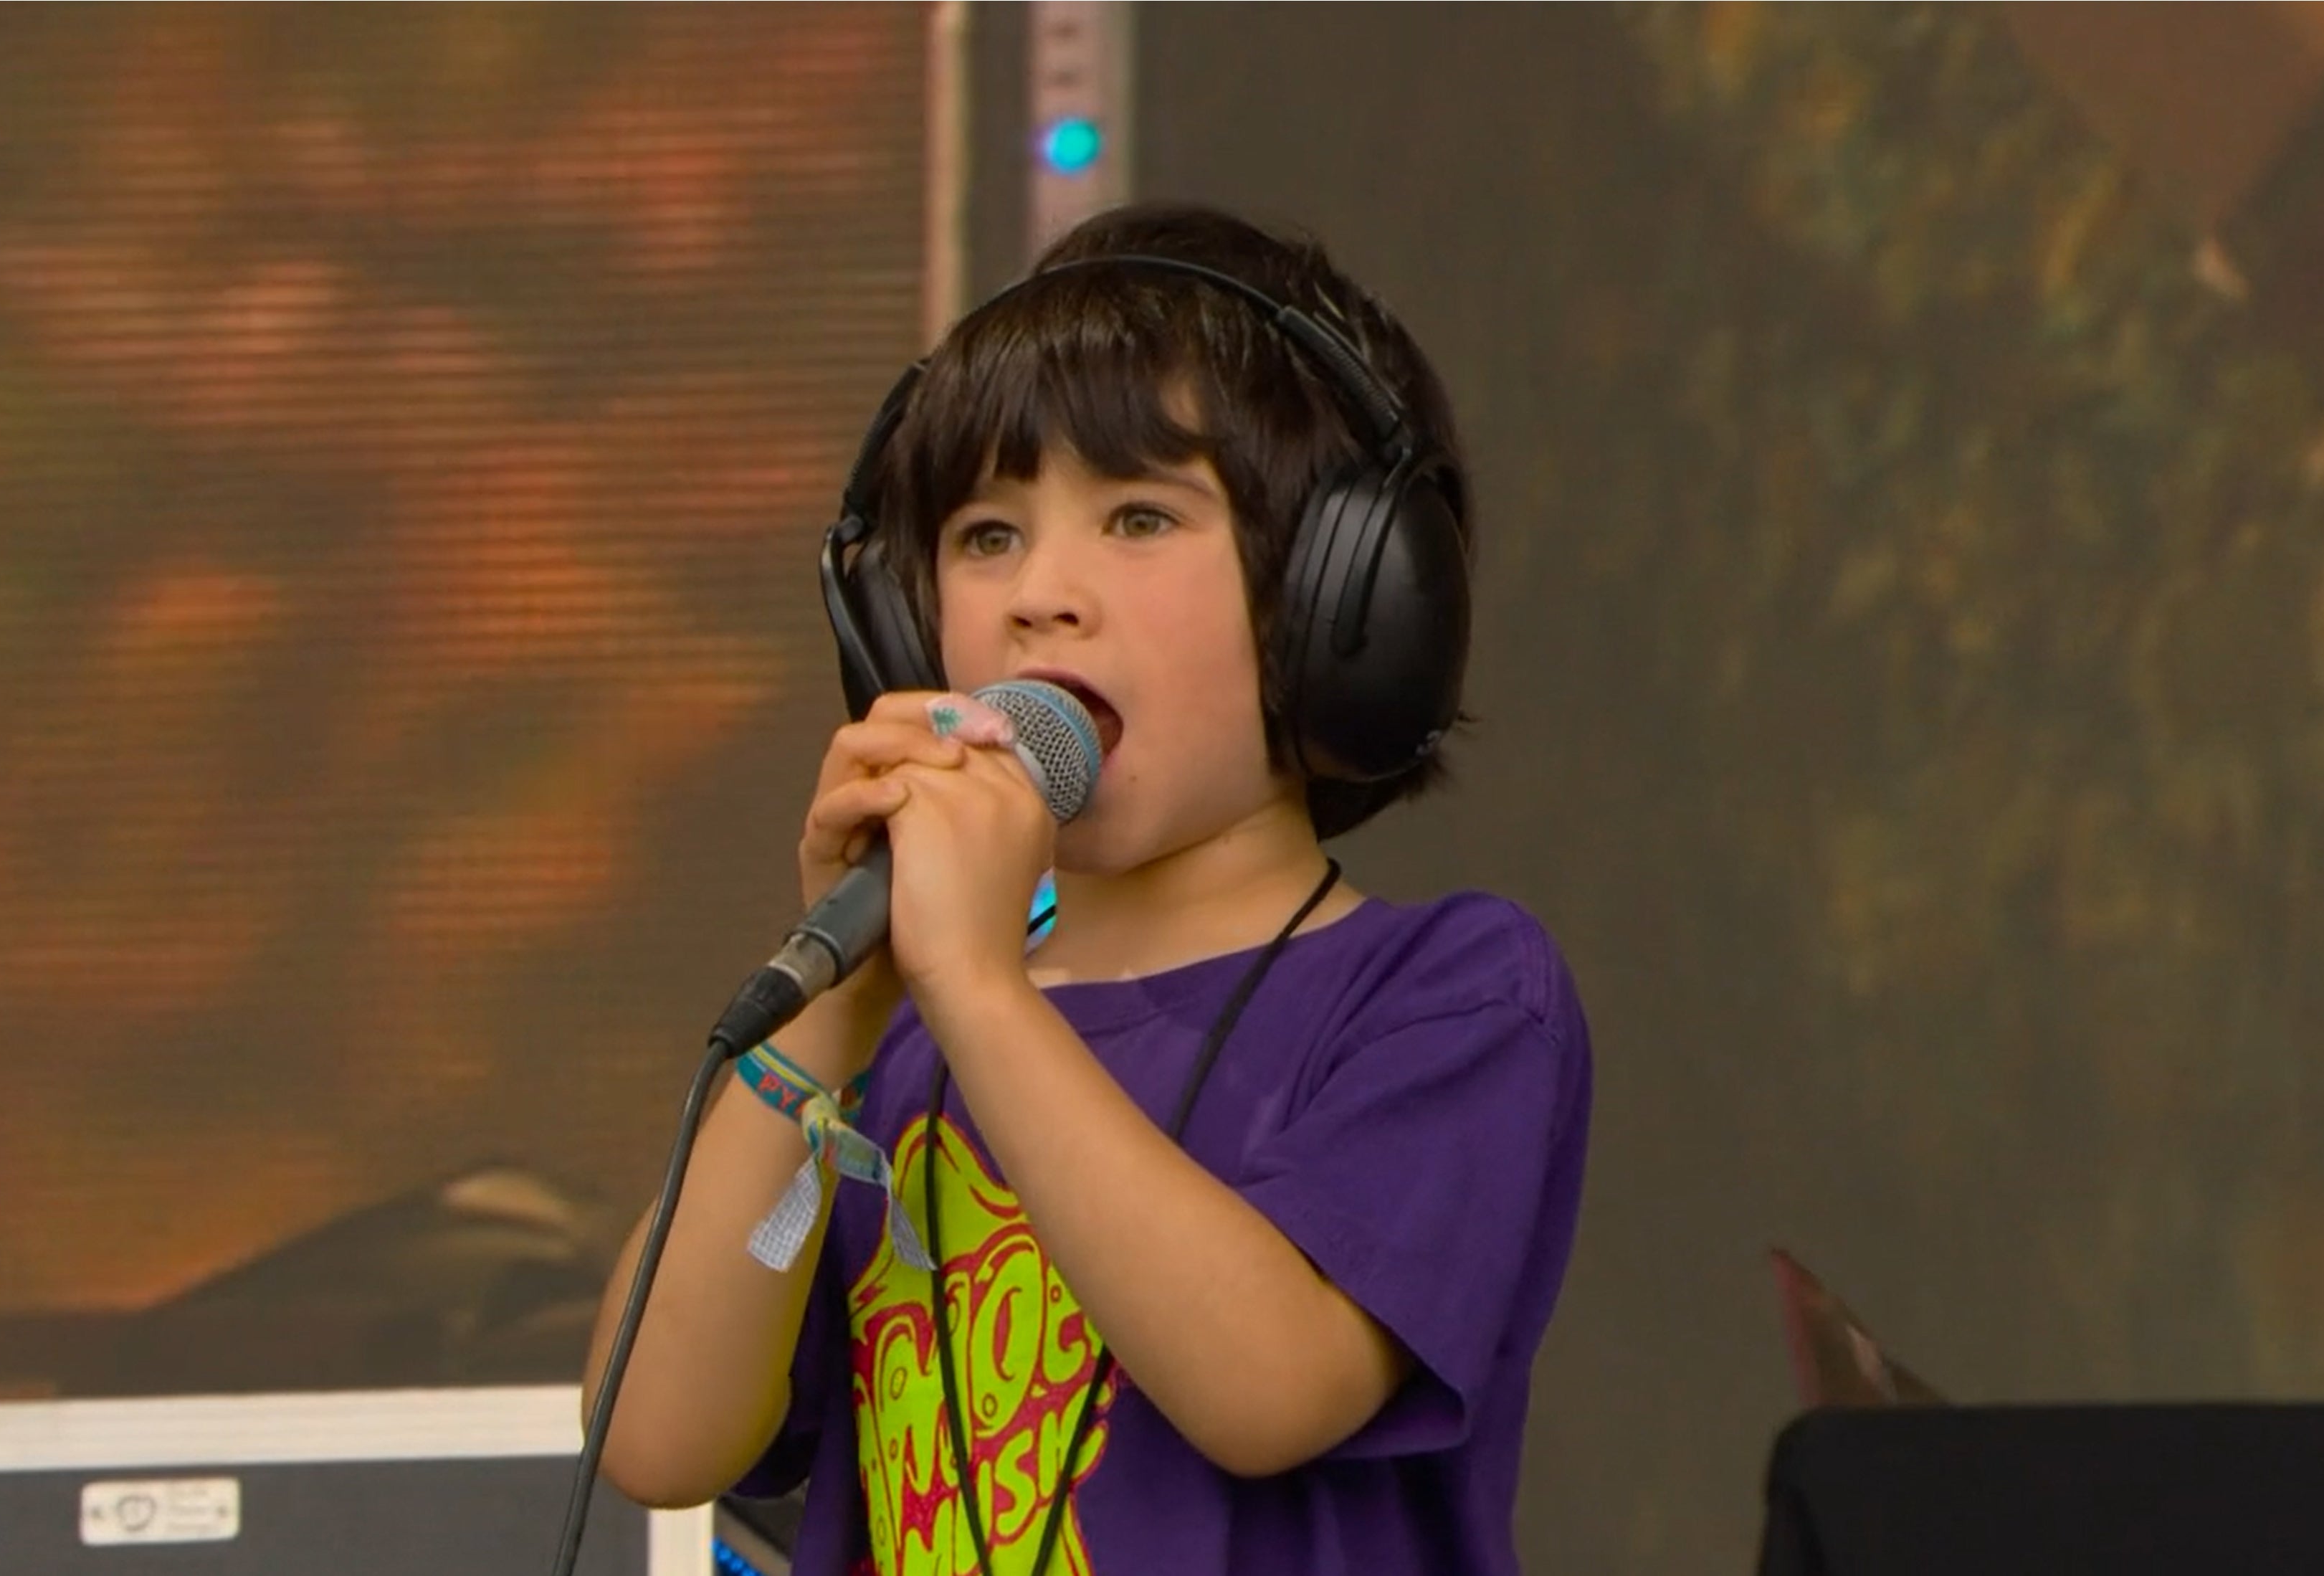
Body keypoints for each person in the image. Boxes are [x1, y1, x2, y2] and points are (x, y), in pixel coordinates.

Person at [581, 201, 1591, 1576]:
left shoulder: (1450, 993)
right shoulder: (893, 1041)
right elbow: (655, 1437)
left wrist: (984, 989)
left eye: (1138, 516)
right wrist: (834, 1010)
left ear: (1338, 604)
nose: (1041, 593)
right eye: (986, 536)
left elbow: (1268, 1383)